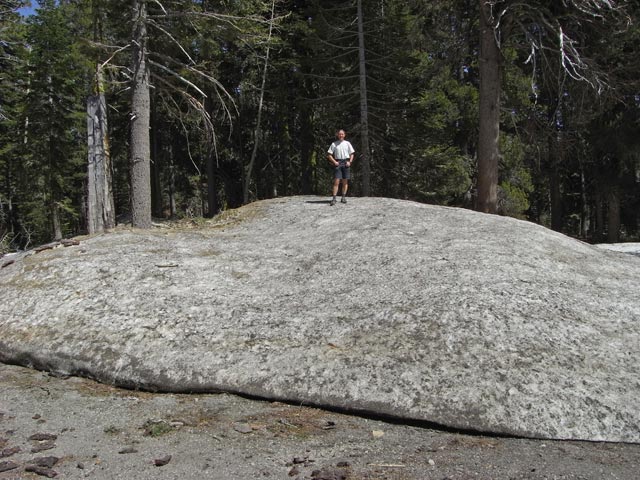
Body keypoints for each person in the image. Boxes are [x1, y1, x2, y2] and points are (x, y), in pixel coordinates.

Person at [326, 129, 355, 205]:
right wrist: (334, 162)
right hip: (338, 162)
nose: (341, 135)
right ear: (337, 135)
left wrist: (350, 162)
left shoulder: (347, 143)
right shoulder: (334, 144)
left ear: (344, 135)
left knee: (345, 181)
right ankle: (334, 198)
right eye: (339, 134)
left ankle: (343, 197)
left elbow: (352, 153)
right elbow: (329, 154)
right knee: (337, 181)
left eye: (342, 134)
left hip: (346, 162)